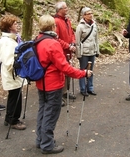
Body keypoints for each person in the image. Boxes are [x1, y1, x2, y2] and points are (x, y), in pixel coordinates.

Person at [35, 14, 92, 154]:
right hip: (53, 84)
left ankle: (40, 140)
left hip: (41, 82)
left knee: (43, 111)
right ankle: (47, 144)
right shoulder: (52, 43)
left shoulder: (38, 40)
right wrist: (83, 73)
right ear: (52, 26)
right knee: (51, 113)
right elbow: (64, 67)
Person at [0, 14, 26, 130]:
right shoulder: (6, 41)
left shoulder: (12, 39)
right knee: (15, 96)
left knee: (15, 95)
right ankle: (13, 120)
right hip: (12, 73)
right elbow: (8, 60)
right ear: (9, 27)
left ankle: (10, 118)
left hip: (15, 72)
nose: (17, 25)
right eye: (14, 24)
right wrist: (18, 66)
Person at [54, 1, 77, 105]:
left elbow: (72, 33)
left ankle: (66, 92)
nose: (67, 9)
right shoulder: (56, 21)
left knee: (69, 72)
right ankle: (60, 95)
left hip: (69, 51)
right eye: (65, 8)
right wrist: (68, 46)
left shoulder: (67, 20)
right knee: (62, 73)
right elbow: (56, 38)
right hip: (61, 52)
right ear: (60, 10)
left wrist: (73, 42)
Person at [75, 7, 100, 96]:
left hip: (92, 51)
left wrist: (97, 50)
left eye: (91, 13)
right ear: (84, 15)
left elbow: (96, 39)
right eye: (88, 14)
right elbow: (77, 42)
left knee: (91, 71)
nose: (91, 15)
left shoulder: (94, 25)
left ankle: (90, 88)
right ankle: (83, 89)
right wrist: (78, 54)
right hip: (84, 52)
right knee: (83, 71)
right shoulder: (80, 27)